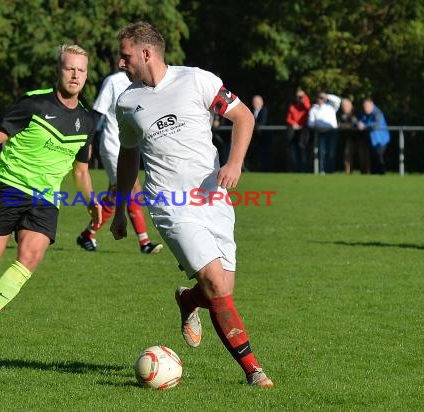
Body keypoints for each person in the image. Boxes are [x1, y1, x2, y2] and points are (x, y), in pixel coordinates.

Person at [110, 21, 274, 388]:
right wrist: (121, 209)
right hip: (169, 204)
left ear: (146, 53)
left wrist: (233, 164)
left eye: (125, 56)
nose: (121, 63)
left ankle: (187, 300)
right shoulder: (128, 102)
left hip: (213, 197)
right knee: (216, 283)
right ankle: (253, 371)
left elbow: (243, 116)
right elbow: (128, 155)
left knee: (222, 288)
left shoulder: (198, 80)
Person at [0, 44, 101, 334]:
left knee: (31, 256)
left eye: (81, 70)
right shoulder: (34, 104)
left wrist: (91, 201)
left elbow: (81, 171)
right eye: (69, 68)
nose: (75, 75)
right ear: (58, 71)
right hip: (9, 187)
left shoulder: (87, 121)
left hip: (46, 198)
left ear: (86, 75)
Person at [76, 71, 162, 254]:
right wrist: (87, 144)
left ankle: (87, 235)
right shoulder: (113, 81)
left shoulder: (146, 82)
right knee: (132, 190)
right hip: (113, 146)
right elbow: (97, 113)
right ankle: (144, 242)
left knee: (115, 196)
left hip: (130, 146)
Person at [308, 92, 341, 174]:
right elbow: (310, 123)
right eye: (319, 98)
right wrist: (317, 126)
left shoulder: (331, 106)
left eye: (322, 98)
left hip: (332, 132)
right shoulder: (314, 109)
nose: (320, 99)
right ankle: (322, 170)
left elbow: (338, 100)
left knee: (331, 152)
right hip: (321, 132)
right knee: (322, 152)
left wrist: (327, 96)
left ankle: (331, 170)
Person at [357, 98, 390, 175]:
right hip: (373, 140)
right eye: (364, 107)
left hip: (381, 140)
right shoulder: (366, 114)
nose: (365, 108)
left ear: (372, 105)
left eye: (367, 106)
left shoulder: (377, 113)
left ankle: (382, 174)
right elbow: (361, 121)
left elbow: (376, 125)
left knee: (379, 158)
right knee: (373, 158)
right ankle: (374, 175)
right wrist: (358, 124)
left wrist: (364, 126)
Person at [339, 98, 370, 174]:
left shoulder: (358, 112)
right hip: (349, 138)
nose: (344, 108)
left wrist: (351, 126)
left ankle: (365, 173)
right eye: (343, 106)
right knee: (347, 156)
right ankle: (348, 173)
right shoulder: (340, 114)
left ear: (351, 105)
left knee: (363, 156)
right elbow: (339, 125)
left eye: (346, 106)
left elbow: (362, 123)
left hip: (361, 138)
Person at [286, 88, 311, 172]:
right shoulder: (293, 107)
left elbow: (308, 108)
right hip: (294, 132)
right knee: (294, 152)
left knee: (303, 150)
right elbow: (289, 119)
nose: (300, 98)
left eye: (301, 96)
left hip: (304, 133)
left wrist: (304, 98)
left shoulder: (306, 106)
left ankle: (304, 169)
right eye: (298, 96)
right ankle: (296, 169)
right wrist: (294, 124)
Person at [251, 94, 270, 171]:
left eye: (257, 102)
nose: (255, 103)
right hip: (256, 138)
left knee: (264, 155)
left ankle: (265, 169)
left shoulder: (264, 110)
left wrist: (255, 125)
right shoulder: (251, 111)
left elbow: (263, 122)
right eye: (254, 102)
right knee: (257, 154)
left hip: (264, 137)